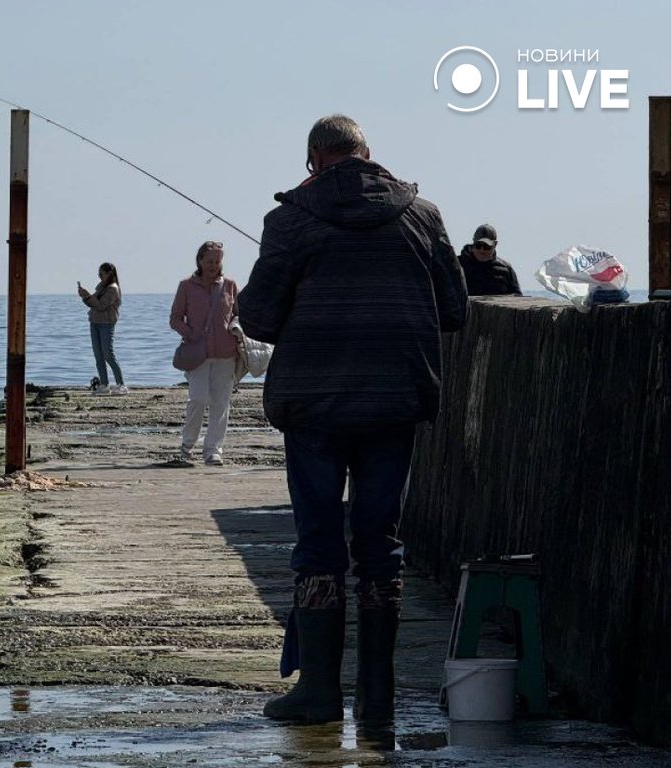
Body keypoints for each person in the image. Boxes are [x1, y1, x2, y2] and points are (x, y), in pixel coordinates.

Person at [237, 115, 468, 724]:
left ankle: (318, 692)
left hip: (314, 405)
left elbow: (258, 319)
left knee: (319, 542)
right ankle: (377, 696)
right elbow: (454, 309)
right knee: (380, 545)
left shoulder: (291, 220)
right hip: (394, 401)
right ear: (369, 154)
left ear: (314, 160)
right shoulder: (422, 216)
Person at [169, 241, 239, 465]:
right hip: (197, 354)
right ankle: (187, 445)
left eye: (217, 261)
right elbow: (175, 318)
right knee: (198, 399)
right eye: (209, 261)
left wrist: (236, 328)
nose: (213, 265)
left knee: (221, 403)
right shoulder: (186, 286)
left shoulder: (229, 285)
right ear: (199, 260)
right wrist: (190, 334)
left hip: (226, 353)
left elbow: (238, 315)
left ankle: (213, 450)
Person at [77, 262, 126, 394]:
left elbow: (101, 306)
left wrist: (87, 296)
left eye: (101, 274)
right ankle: (104, 384)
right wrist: (85, 297)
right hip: (95, 322)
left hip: (106, 323)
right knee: (98, 355)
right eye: (98, 274)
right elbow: (93, 303)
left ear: (109, 274)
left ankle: (121, 384)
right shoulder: (102, 287)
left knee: (108, 354)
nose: (99, 276)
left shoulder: (113, 289)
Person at [458, 223, 522, 296]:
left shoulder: (506, 269)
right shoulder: (458, 265)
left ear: (495, 244)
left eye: (486, 246)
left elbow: (517, 295)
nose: (482, 250)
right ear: (473, 242)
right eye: (478, 245)